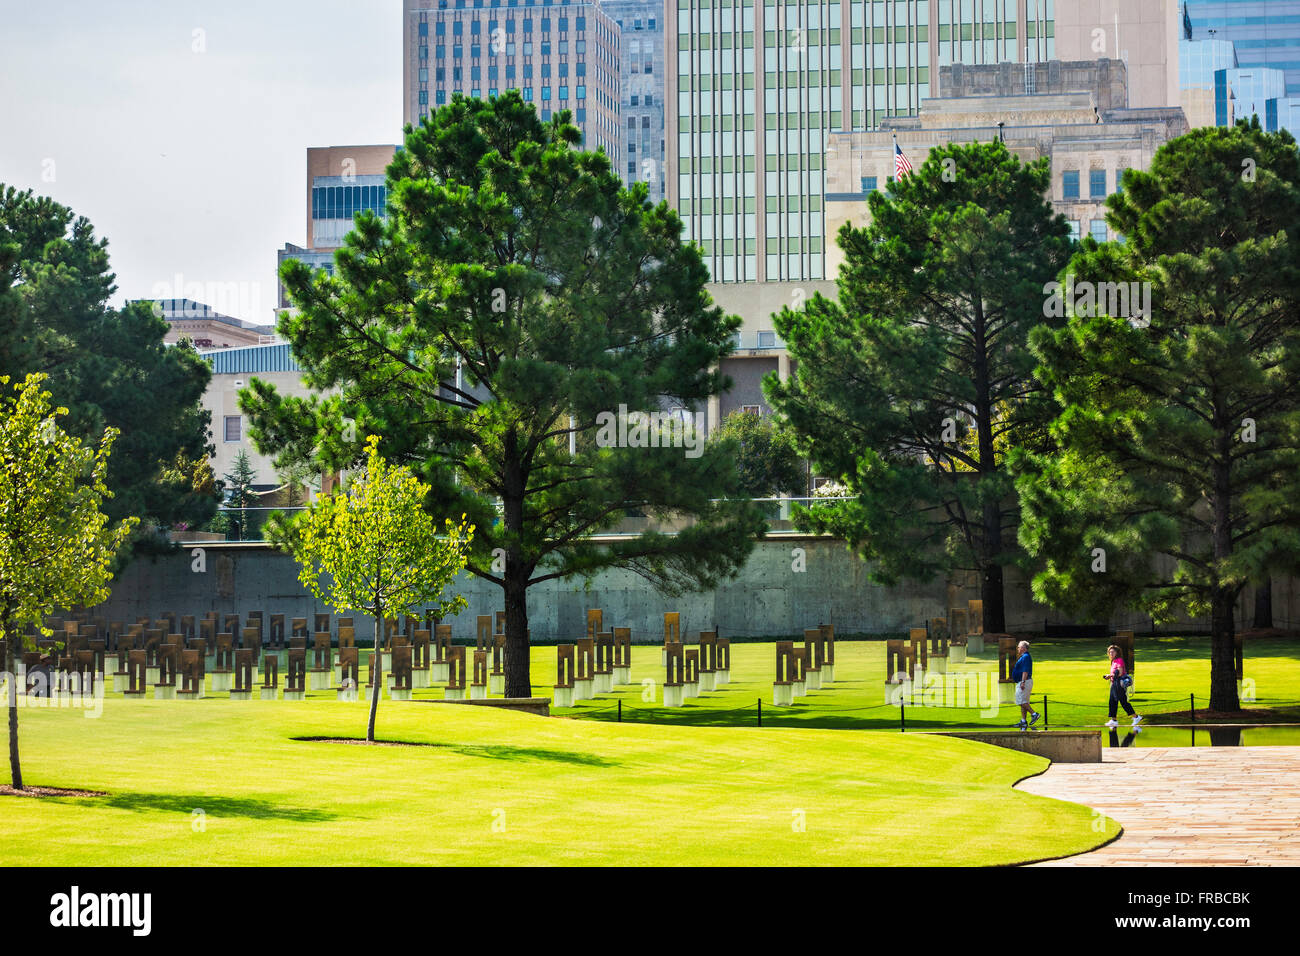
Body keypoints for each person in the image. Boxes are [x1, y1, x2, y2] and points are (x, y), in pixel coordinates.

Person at [1104, 644, 1142, 729]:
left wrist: (1110, 676)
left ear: (1117, 653)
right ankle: (1113, 720)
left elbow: (1120, 673)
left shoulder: (1119, 660)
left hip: (1119, 684)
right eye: (1110, 652)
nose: (1111, 653)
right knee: (1112, 702)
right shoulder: (1113, 661)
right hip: (1114, 683)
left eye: (1113, 652)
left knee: (1123, 702)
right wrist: (1109, 676)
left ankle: (1136, 717)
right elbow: (1114, 674)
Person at [1012, 640, 1040, 730]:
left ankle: (1034, 714)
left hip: (1024, 681)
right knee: (1024, 701)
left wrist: (1023, 682)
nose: (1018, 648)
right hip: (1023, 681)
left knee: (1021, 701)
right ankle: (1023, 721)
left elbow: (1025, 671)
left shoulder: (1025, 657)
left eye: (1019, 647)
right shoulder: (1024, 656)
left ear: (1023, 648)